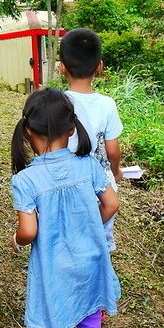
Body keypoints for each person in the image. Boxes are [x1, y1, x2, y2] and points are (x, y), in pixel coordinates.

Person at [10, 88, 121, 328]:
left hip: (54, 266)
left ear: (28, 132)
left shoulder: (26, 180)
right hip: (90, 259)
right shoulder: (87, 166)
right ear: (72, 129)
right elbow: (111, 203)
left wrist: (16, 240)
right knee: (90, 319)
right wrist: (88, 225)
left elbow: (29, 230)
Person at [59, 28, 123, 252]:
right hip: (101, 189)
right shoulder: (107, 104)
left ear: (61, 68)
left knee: (70, 238)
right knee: (99, 244)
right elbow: (112, 149)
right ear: (100, 66)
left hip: (67, 184)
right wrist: (115, 171)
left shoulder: (58, 102)